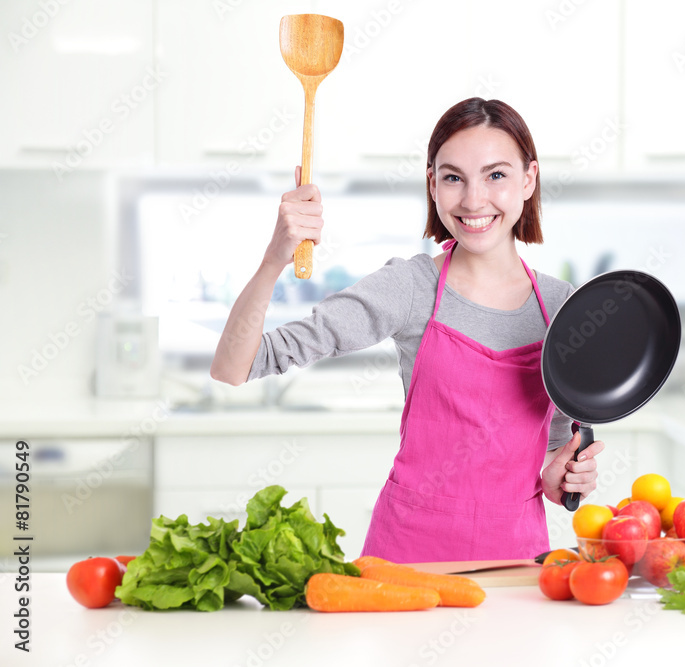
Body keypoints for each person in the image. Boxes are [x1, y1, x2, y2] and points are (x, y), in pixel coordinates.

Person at [210, 97, 605, 562]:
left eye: (495, 175)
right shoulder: (410, 287)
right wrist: (276, 256)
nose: (473, 199)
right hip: (408, 563)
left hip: (517, 566)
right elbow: (235, 366)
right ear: (433, 185)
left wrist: (563, 480)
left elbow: (556, 455)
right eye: (454, 177)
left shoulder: (563, 307)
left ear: (528, 179)